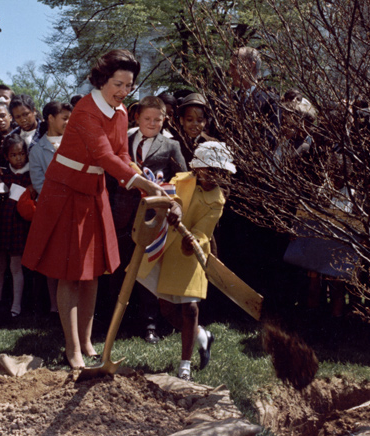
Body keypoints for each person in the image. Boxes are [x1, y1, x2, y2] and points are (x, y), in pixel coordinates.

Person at [22, 49, 168, 369]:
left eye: (128, 86)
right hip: (66, 192)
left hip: (94, 191)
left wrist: (142, 178)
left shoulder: (121, 113)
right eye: (118, 83)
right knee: (70, 274)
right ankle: (72, 349)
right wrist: (143, 185)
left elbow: (120, 155)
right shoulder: (86, 110)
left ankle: (87, 342)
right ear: (102, 78)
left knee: (92, 274)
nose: (122, 91)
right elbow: (104, 156)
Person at [136, 141, 233, 380]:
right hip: (166, 248)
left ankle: (185, 366)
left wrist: (194, 242)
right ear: (197, 168)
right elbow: (171, 197)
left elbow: (203, 230)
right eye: (208, 170)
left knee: (189, 308)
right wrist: (174, 207)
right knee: (167, 309)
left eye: (219, 172)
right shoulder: (181, 180)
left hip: (191, 253)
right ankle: (202, 336)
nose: (213, 176)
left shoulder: (217, 198)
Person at [111, 95, 187, 343]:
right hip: (122, 213)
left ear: (165, 119)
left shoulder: (171, 146)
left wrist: (175, 205)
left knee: (148, 270)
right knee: (120, 266)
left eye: (158, 119)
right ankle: (117, 321)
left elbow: (182, 181)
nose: (152, 123)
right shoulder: (123, 140)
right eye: (147, 119)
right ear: (136, 117)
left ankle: (150, 325)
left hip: (154, 217)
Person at [28, 101, 73, 315]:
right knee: (53, 258)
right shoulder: (37, 150)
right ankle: (55, 306)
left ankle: (74, 304)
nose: (68, 122)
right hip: (52, 211)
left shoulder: (75, 143)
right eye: (64, 118)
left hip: (76, 209)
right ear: (50, 118)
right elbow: (39, 184)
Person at [0, 134, 32, 318]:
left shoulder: (30, 176)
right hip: (1, 225)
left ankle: (16, 306)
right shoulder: (2, 175)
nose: (18, 158)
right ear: (7, 156)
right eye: (14, 155)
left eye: (21, 154)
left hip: (18, 227)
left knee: (16, 266)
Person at [173, 93, 217, 165]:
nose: (195, 124)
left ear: (205, 121)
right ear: (181, 120)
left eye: (199, 120)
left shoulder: (213, 144)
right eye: (189, 120)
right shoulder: (172, 144)